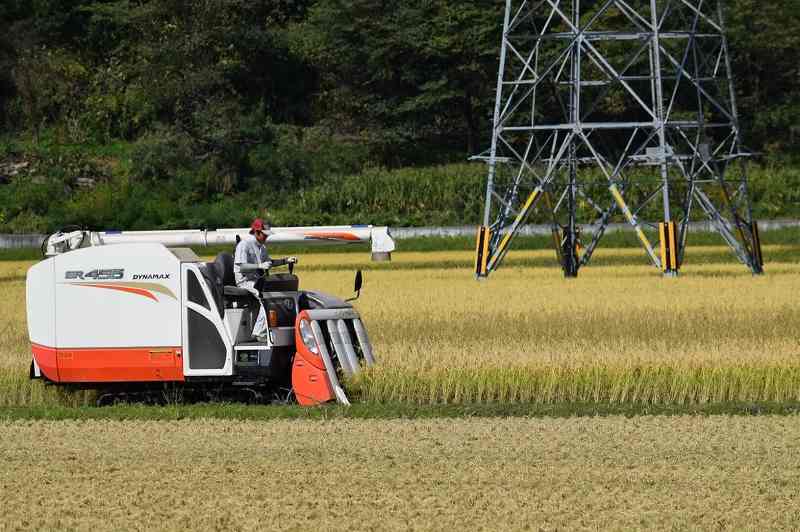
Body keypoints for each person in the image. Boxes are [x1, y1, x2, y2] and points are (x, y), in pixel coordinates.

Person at [234, 219, 273, 341]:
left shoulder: (262, 247)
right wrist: (259, 266)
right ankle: (259, 334)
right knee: (265, 297)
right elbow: (241, 266)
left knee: (273, 294)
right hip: (244, 281)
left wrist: (285, 260)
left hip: (256, 280)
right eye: (264, 234)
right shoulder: (244, 245)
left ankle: (265, 329)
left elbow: (269, 263)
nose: (266, 236)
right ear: (257, 232)